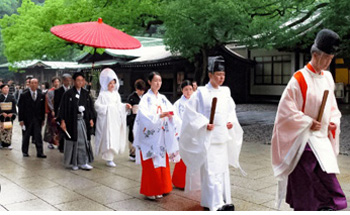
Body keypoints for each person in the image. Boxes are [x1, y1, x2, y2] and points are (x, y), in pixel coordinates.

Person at [271, 29, 347, 211]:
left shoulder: (327, 77)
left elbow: (333, 108)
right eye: (326, 58)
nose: (329, 62)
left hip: (321, 137)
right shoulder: (299, 79)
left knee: (327, 174)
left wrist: (332, 122)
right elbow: (285, 112)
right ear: (315, 54)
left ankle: (325, 205)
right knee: (308, 168)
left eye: (331, 58)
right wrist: (307, 121)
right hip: (303, 138)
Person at [179, 56, 244, 211]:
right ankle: (212, 203)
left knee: (222, 171)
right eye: (218, 75)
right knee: (210, 172)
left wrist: (230, 121)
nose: (221, 78)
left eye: (223, 75)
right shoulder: (200, 93)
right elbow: (190, 113)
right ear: (210, 75)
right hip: (208, 138)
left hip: (222, 137)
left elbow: (230, 111)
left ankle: (224, 200)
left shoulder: (226, 91)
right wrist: (203, 124)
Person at [133, 71, 179, 200]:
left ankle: (163, 188)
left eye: (160, 81)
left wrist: (169, 115)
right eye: (155, 81)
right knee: (151, 162)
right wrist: (159, 116)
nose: (158, 83)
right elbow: (143, 116)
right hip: (150, 136)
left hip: (161, 135)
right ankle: (151, 190)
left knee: (162, 162)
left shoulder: (163, 98)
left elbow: (172, 111)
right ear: (149, 82)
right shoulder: (145, 99)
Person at [94, 68, 132, 167]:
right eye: (110, 83)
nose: (112, 85)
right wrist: (108, 108)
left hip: (115, 119)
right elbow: (97, 106)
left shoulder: (116, 95)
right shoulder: (102, 95)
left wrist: (125, 106)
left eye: (113, 83)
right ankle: (108, 158)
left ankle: (111, 157)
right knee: (107, 138)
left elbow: (119, 105)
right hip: (107, 120)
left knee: (114, 137)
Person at [59, 72, 95, 171]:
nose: (80, 82)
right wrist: (62, 121)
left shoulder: (86, 93)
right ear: (74, 81)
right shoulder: (68, 94)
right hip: (72, 121)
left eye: (82, 80)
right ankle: (73, 162)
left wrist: (91, 118)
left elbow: (90, 107)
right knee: (74, 142)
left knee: (84, 142)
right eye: (78, 80)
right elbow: (63, 109)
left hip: (83, 121)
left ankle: (83, 162)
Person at [172, 80, 194, 189]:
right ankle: (180, 182)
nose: (189, 92)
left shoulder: (196, 101)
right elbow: (176, 118)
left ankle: (194, 182)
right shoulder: (178, 104)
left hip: (195, 133)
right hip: (184, 132)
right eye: (186, 89)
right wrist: (185, 126)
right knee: (183, 158)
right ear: (182, 90)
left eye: (190, 89)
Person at [18, 78, 46, 158]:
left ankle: (40, 152)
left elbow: (42, 108)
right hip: (27, 119)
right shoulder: (24, 95)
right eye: (32, 83)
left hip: (37, 119)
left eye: (36, 83)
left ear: (38, 84)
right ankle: (25, 152)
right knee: (26, 136)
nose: (34, 84)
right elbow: (21, 108)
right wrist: (21, 120)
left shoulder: (41, 95)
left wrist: (43, 119)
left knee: (38, 136)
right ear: (29, 84)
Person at [127, 79, 146, 161]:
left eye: (143, 90)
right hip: (134, 118)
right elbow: (128, 109)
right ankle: (133, 153)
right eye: (140, 90)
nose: (142, 92)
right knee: (133, 135)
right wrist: (129, 108)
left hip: (142, 118)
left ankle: (141, 152)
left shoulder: (145, 98)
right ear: (136, 89)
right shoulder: (131, 97)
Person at [54, 73, 72, 153]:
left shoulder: (72, 90)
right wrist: (57, 115)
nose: (68, 82)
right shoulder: (58, 91)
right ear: (63, 81)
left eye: (69, 80)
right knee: (61, 131)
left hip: (70, 114)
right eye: (67, 80)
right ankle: (61, 146)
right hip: (62, 113)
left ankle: (69, 145)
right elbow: (56, 104)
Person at [44, 77, 61, 149]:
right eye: (55, 82)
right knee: (51, 126)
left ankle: (58, 142)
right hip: (52, 111)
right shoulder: (50, 91)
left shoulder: (61, 90)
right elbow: (49, 102)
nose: (57, 83)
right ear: (53, 83)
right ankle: (50, 142)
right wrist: (52, 110)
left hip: (59, 111)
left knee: (59, 127)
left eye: (58, 82)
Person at [0, 84, 17, 150]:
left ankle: (8, 144)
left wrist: (12, 113)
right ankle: (1, 143)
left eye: (7, 88)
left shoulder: (11, 97)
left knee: (8, 129)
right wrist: (1, 112)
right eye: (4, 88)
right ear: (1, 89)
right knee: (1, 130)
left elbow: (14, 106)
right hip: (1, 116)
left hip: (9, 116)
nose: (6, 89)